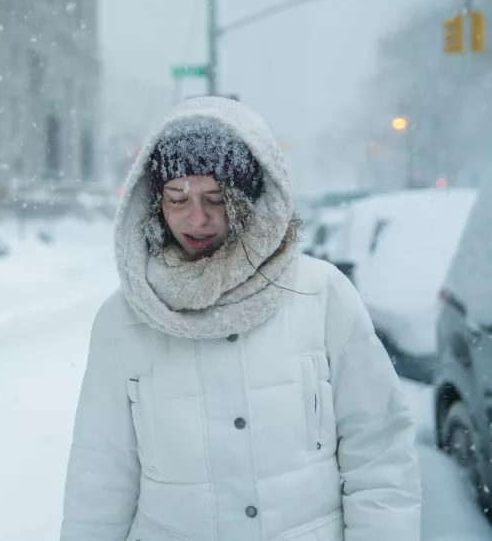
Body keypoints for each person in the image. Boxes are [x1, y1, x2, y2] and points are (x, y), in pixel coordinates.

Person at [60, 97, 421, 541]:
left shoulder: (320, 294)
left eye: (216, 198)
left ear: (249, 199)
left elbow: (379, 452)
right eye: (177, 199)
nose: (197, 218)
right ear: (156, 205)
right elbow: (101, 475)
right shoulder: (123, 320)